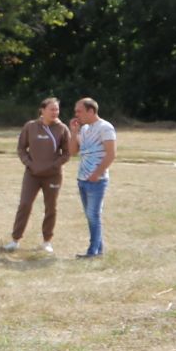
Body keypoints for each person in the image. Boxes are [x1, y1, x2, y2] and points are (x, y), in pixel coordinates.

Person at [6, 97, 70, 253]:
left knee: (51, 207)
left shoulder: (62, 129)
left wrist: (54, 165)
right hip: (32, 175)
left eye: (57, 109)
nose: (55, 112)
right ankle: (15, 240)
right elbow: (21, 149)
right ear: (42, 110)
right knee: (25, 204)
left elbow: (67, 153)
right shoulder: (30, 126)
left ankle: (47, 241)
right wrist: (29, 163)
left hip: (53, 175)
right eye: (52, 109)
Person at [70, 97, 116, 259]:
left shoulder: (105, 127)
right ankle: (99, 249)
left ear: (91, 111)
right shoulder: (85, 129)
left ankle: (93, 252)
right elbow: (73, 152)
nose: (76, 114)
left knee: (93, 215)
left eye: (79, 111)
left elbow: (111, 154)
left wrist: (97, 174)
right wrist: (74, 131)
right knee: (90, 216)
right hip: (82, 179)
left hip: (97, 180)